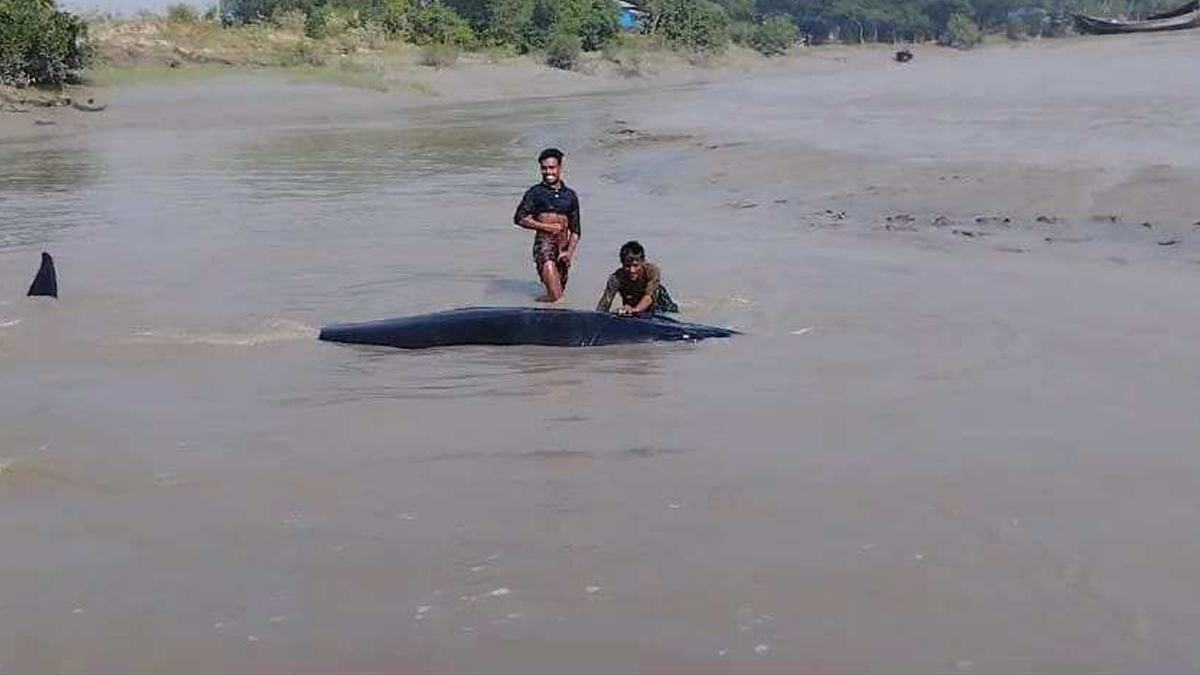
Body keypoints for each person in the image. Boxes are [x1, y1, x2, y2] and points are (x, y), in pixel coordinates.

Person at [513, 148, 580, 303]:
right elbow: (519, 218)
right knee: (557, 298)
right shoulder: (535, 193)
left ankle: (536, 305)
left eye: (552, 167)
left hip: (562, 250)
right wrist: (547, 227)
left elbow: (576, 230)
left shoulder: (570, 195)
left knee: (556, 295)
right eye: (544, 168)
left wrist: (569, 253)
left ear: (560, 168)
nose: (548, 172)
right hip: (544, 245)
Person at [596, 240, 680, 316]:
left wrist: (635, 310)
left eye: (636, 266)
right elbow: (605, 302)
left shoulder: (652, 271)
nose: (632, 270)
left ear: (643, 262)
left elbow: (649, 297)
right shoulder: (616, 278)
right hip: (632, 306)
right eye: (627, 266)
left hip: (659, 305)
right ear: (622, 263)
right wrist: (598, 317)